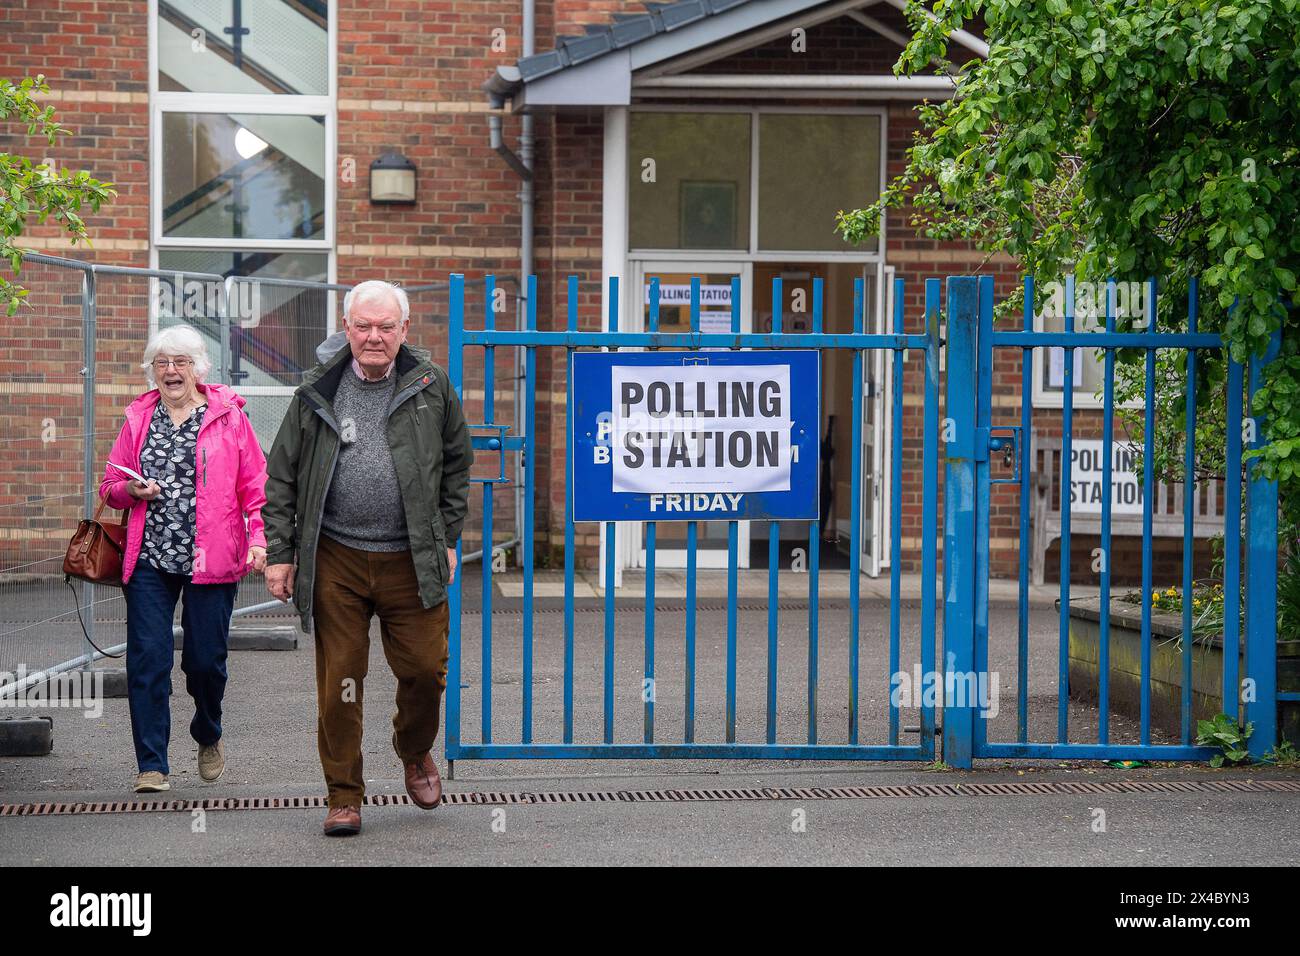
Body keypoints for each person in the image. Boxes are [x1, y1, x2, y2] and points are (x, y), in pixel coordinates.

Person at [262, 279, 473, 837]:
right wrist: (281, 553)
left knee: (425, 672)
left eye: (385, 327)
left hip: (410, 559)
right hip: (337, 560)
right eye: (363, 326)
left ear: (404, 330)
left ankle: (413, 748)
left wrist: (446, 537)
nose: (374, 337)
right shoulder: (316, 392)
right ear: (347, 328)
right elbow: (281, 475)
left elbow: (457, 465)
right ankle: (344, 795)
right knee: (341, 683)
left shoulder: (431, 387)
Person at [100, 324, 268, 794]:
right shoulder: (138, 417)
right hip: (150, 558)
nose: (171, 371)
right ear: (152, 369)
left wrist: (259, 539)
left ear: (198, 368)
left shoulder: (228, 417)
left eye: (181, 362)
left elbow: (256, 487)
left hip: (211, 557)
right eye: (162, 363)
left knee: (204, 663)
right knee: (148, 660)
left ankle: (207, 730)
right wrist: (129, 490)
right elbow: (109, 487)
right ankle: (151, 764)